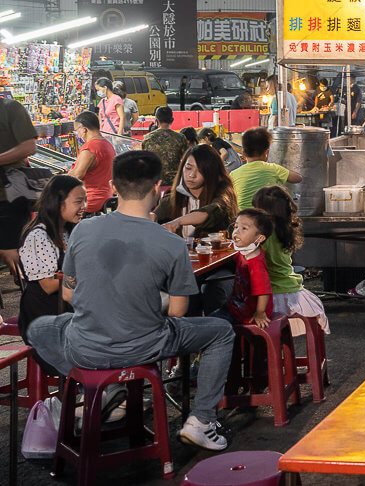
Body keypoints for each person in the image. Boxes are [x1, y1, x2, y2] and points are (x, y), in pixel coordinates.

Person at [25, 150, 236, 450]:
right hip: (145, 346)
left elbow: (70, 294)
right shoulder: (171, 243)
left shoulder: (83, 230)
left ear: (113, 187)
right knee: (221, 331)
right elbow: (177, 312)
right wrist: (146, 304)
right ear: (157, 187)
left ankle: (99, 387)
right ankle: (201, 420)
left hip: (86, 347)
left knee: (39, 329)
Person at [17, 176, 85, 355]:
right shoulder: (38, 237)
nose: (84, 206)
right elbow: (48, 285)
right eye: (78, 201)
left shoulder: (70, 231)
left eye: (85, 200)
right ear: (58, 202)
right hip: (45, 315)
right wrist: (86, 271)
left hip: (68, 308)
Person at [253, 185, 330, 333]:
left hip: (274, 295)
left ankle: (264, 353)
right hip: (293, 290)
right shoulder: (285, 229)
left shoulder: (265, 237)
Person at [156, 145, 238, 240]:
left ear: (211, 172)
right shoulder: (172, 199)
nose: (191, 175)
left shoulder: (223, 195)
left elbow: (211, 211)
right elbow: (153, 218)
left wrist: (178, 222)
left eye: (200, 170)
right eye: (188, 168)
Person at [212, 209, 274, 329]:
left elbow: (264, 291)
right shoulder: (244, 252)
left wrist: (260, 313)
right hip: (237, 306)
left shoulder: (256, 264)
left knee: (212, 325)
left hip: (250, 313)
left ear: (260, 238)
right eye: (235, 227)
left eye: (244, 229)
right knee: (212, 318)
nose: (236, 232)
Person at [0, 96, 38, 277]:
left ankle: (31, 291)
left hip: (9, 196)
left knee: (12, 252)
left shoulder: (10, 108)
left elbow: (29, 146)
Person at [230, 127, 302, 211]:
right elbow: (297, 178)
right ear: (266, 152)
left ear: (243, 153)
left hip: (242, 216)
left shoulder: (234, 174)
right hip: (266, 216)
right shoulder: (273, 168)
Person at [68, 111, 116, 214]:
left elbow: (77, 175)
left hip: (90, 200)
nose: (78, 134)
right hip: (107, 196)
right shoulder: (107, 144)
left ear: (84, 129)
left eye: (77, 130)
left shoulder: (90, 148)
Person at [140, 106, 190, 186]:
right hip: (174, 182)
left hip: (154, 181)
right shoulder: (180, 138)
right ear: (172, 120)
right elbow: (186, 160)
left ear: (156, 121)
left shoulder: (147, 138)